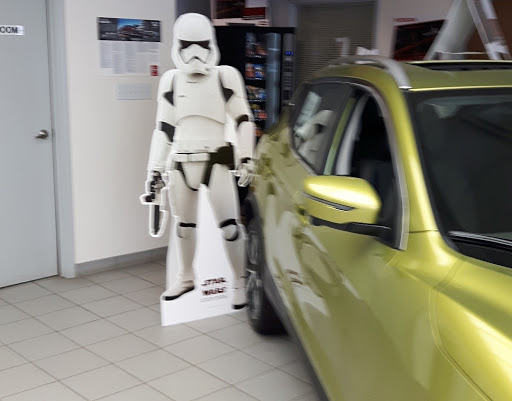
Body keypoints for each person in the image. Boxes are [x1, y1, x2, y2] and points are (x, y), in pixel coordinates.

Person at [141, 13, 255, 309]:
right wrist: (155, 169)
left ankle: (239, 281)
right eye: (188, 45)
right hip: (181, 161)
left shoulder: (224, 76)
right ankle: (187, 276)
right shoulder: (171, 80)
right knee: (184, 226)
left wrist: (246, 155)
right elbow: (164, 129)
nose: (195, 53)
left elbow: (243, 119)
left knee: (229, 227)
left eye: (201, 45)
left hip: (215, 159)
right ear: (178, 46)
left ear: (211, 44)